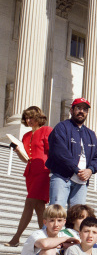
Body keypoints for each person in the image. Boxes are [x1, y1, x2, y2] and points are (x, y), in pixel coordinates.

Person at [5, 106, 52, 247]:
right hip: (30, 173)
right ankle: (46, 235)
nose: (28, 120)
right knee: (39, 208)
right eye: (26, 118)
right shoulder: (25, 136)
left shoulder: (46, 130)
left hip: (43, 171)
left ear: (39, 117)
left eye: (31, 117)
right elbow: (26, 158)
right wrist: (17, 149)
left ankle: (16, 238)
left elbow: (52, 151)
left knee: (29, 203)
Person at [46, 98, 97, 208]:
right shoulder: (61, 127)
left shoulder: (90, 134)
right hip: (62, 177)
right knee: (56, 213)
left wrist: (90, 170)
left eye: (85, 109)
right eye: (78, 108)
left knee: (78, 217)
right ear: (71, 110)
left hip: (81, 182)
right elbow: (59, 153)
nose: (82, 111)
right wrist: (76, 170)